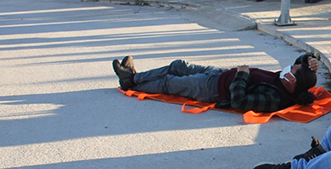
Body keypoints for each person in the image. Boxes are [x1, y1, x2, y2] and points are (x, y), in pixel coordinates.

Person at [111, 54, 319, 113]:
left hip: (212, 89)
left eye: (294, 70)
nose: (290, 67)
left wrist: (242, 75)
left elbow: (239, 101)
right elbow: (300, 61)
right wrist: (310, 59)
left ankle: (130, 83)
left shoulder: (274, 98)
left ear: (293, 81)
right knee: (178, 65)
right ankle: (135, 77)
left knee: (169, 82)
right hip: (219, 75)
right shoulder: (285, 82)